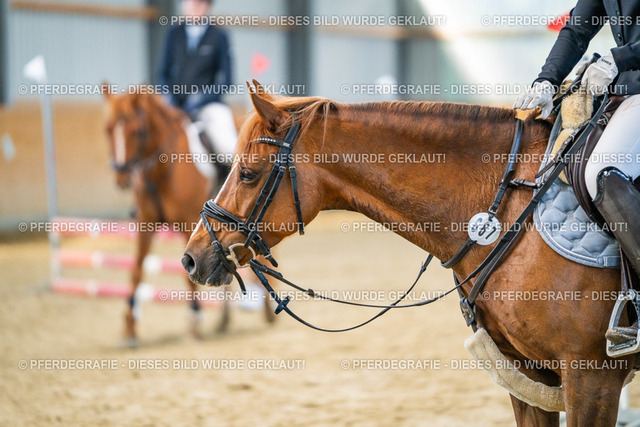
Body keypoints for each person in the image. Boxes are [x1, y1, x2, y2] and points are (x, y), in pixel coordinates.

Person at [513, 1, 640, 282]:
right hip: (626, 86)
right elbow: (577, 30)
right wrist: (547, 81)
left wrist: (618, 59)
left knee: (602, 169)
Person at [159, 0, 237, 160]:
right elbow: (162, 74)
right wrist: (169, 97)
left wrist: (202, 98)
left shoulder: (219, 35)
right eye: (191, 2)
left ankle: (229, 172)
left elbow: (227, 80)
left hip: (208, 106)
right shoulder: (173, 33)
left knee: (229, 147)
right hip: (175, 106)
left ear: (208, 6)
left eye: (200, 3)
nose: (195, 6)